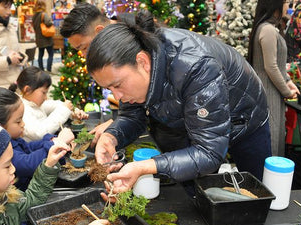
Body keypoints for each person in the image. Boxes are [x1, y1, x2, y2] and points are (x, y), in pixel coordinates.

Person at [85, 22, 272, 195]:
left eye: (117, 85)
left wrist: (145, 167)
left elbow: (209, 152)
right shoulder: (133, 67)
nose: (116, 96)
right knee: (195, 194)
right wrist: (111, 137)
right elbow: (132, 116)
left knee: (255, 191)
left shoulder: (197, 67)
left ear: (142, 62)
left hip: (244, 119)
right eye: (109, 88)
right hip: (191, 122)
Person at [60, 3, 156, 145]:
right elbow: (132, 111)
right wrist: (117, 126)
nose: (84, 55)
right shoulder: (122, 30)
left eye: (84, 47)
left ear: (99, 31)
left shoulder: (141, 38)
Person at [0, 87, 75, 191]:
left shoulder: (10, 139)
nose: (23, 124)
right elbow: (28, 163)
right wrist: (57, 143)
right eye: (18, 121)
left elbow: (29, 147)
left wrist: (51, 140)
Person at [248, 0, 299, 157]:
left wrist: (289, 83)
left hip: (271, 92)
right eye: (285, 3)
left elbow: (279, 64)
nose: (287, 7)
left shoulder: (269, 28)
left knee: (274, 137)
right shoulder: (268, 30)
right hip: (268, 94)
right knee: (271, 140)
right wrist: (287, 92)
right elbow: (271, 67)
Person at [10, 66, 88, 141]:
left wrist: (72, 112)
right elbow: (39, 133)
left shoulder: (33, 103)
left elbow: (54, 105)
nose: (45, 97)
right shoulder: (22, 110)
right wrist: (64, 110)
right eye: (43, 93)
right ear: (27, 90)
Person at [32, 0, 54, 73]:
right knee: (50, 54)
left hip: (39, 38)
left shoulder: (34, 16)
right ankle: (48, 69)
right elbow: (48, 23)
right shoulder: (44, 14)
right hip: (46, 38)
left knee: (40, 55)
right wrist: (51, 22)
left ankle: (41, 69)